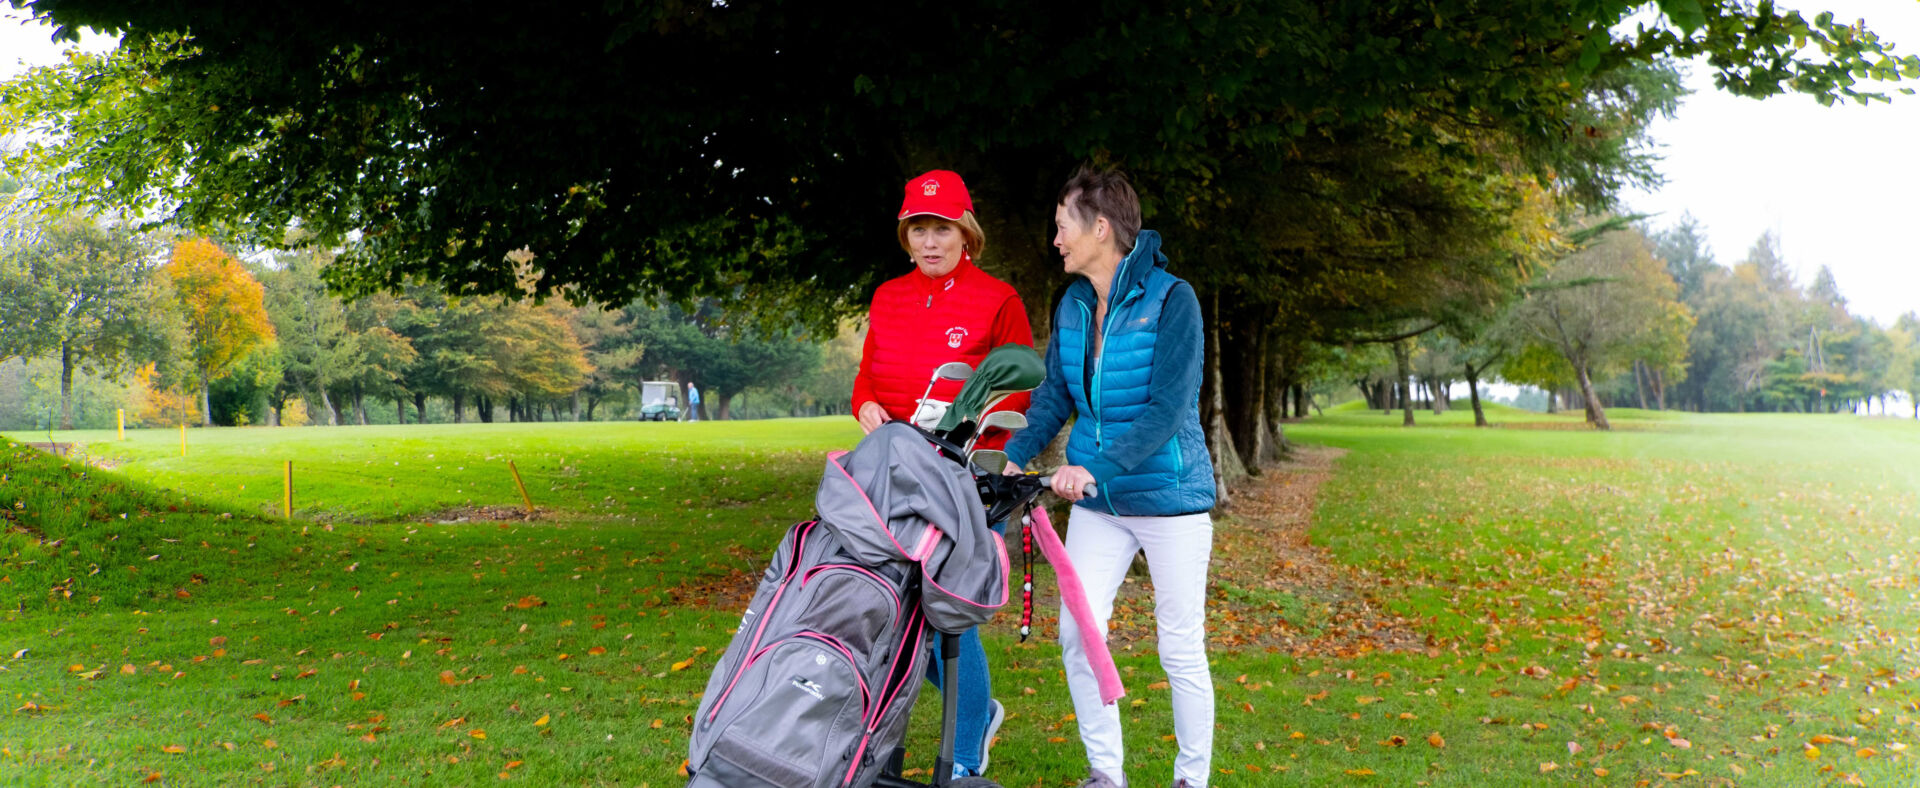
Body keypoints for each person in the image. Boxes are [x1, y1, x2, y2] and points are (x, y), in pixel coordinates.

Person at [1003, 167, 1216, 788]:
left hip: (1170, 501)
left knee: (1179, 650)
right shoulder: (1070, 304)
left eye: (1063, 225)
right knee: (1077, 633)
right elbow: (1054, 398)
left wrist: (1089, 468)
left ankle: (1191, 779)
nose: (1056, 239)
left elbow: (1166, 410)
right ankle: (1106, 772)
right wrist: (1016, 454)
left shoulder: (1173, 300)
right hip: (1101, 507)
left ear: (1101, 228)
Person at [851, 168, 1033, 778]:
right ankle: (970, 720)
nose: (930, 241)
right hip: (894, 474)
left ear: (966, 233)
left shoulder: (997, 298)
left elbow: (1019, 390)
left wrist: (983, 438)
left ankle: (964, 752)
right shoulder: (887, 295)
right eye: (919, 229)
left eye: (942, 229)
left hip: (962, 479)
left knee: (946, 611)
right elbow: (869, 376)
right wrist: (865, 406)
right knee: (896, 610)